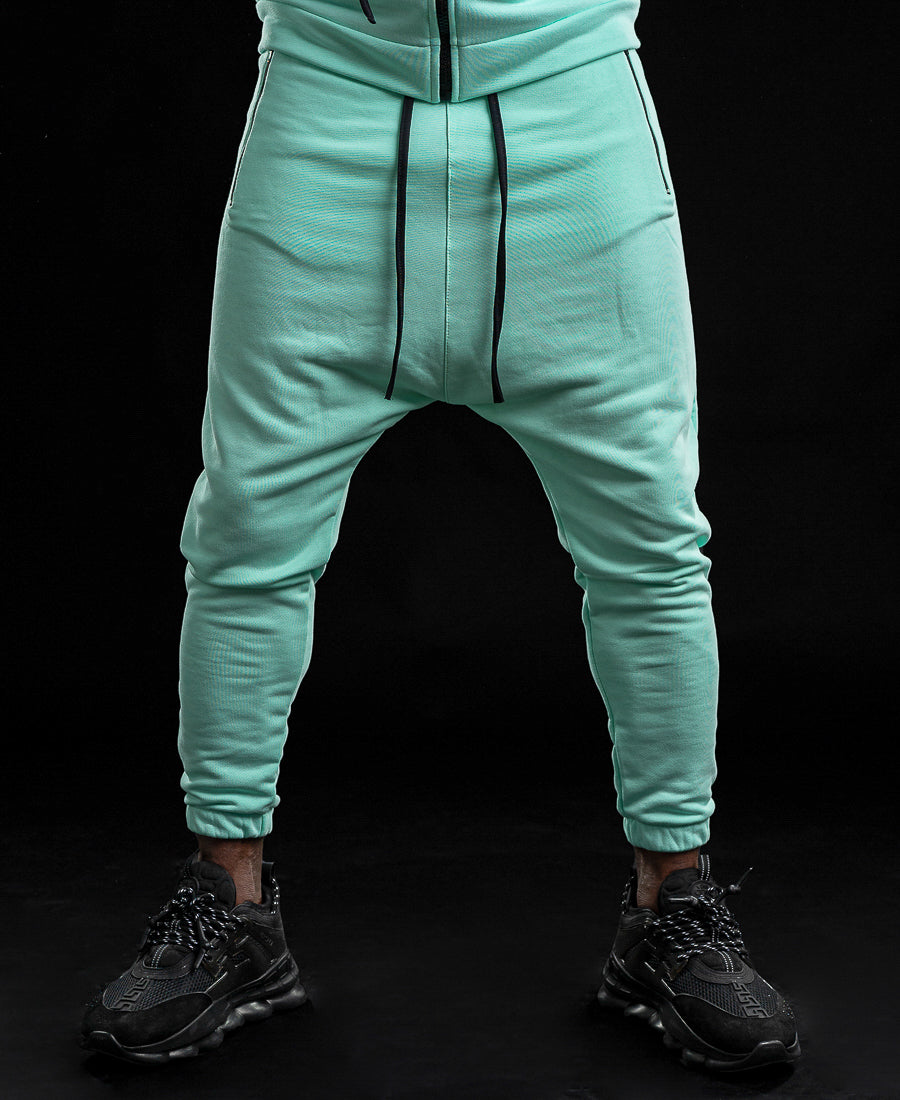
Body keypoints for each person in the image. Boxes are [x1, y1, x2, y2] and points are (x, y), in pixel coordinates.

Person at [80, 0, 800, 1073]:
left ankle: (673, 906)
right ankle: (228, 906)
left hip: (571, 110)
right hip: (329, 103)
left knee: (651, 542)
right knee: (245, 534)